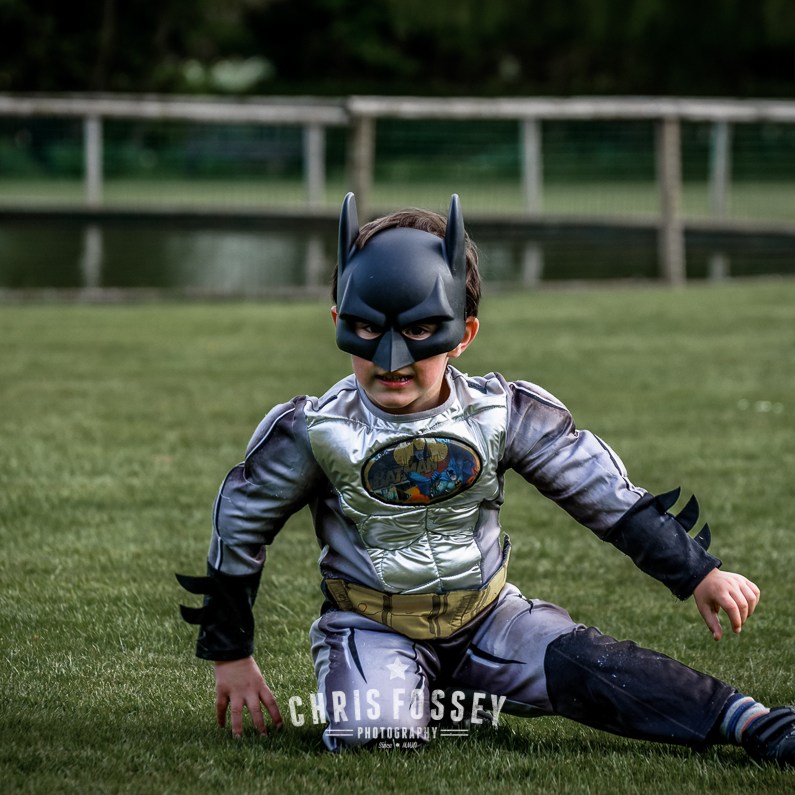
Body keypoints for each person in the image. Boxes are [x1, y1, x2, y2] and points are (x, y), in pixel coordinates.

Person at [178, 193, 795, 764]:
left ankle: (752, 723)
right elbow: (240, 526)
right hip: (370, 623)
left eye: (420, 330)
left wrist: (698, 573)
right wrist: (231, 655)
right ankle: (429, 695)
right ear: (338, 317)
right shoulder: (311, 430)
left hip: (489, 615)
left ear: (463, 332)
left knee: (593, 666)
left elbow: (603, 496)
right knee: (375, 736)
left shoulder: (503, 415)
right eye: (367, 328)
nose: (393, 358)